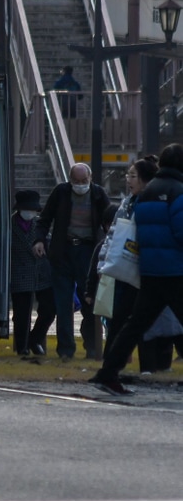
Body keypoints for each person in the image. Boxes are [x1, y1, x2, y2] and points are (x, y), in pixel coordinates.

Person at [89, 143, 183, 396]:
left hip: (150, 270)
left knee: (135, 325)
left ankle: (107, 373)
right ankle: (108, 374)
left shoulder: (148, 192)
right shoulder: (178, 192)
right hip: (175, 269)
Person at [84, 157, 159, 370]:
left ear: (145, 179)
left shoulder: (153, 201)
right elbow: (113, 235)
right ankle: (111, 364)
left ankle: (145, 366)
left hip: (147, 269)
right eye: (128, 175)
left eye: (133, 176)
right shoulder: (127, 203)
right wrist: (103, 264)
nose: (128, 180)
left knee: (141, 319)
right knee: (120, 319)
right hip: (126, 269)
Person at [32, 162, 111, 360]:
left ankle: (92, 347)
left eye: (84, 181)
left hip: (88, 250)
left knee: (89, 301)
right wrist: (39, 240)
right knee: (63, 303)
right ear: (70, 179)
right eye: (76, 181)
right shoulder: (61, 192)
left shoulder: (98, 194)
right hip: (63, 251)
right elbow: (45, 219)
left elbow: (109, 219)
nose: (80, 185)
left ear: (90, 178)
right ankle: (66, 350)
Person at [10, 190, 56, 357]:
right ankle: (22, 347)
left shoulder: (40, 225)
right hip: (19, 272)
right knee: (21, 313)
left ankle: (34, 339)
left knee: (50, 309)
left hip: (41, 272)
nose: (30, 212)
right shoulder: (9, 225)